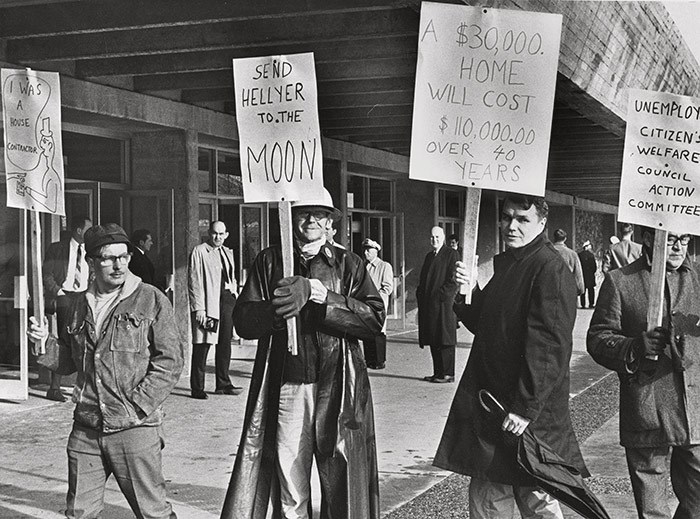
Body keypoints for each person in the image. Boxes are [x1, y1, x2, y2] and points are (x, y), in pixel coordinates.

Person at [220, 189, 384, 519]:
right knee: (290, 481)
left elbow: (374, 319)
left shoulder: (348, 263)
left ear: (330, 223)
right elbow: (243, 320)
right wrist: (275, 312)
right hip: (289, 384)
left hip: (338, 387)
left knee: (340, 477)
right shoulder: (270, 261)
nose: (311, 220)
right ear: (291, 218)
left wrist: (328, 299)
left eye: (319, 215)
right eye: (303, 214)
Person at [433, 195, 588, 519]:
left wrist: (524, 407)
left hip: (525, 416)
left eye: (522, 219)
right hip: (494, 408)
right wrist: (470, 290)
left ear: (542, 224)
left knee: (537, 497)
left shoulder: (549, 269)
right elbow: (486, 325)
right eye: (506, 217)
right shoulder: (512, 264)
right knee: (490, 498)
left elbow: (549, 348)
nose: (511, 225)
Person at [27, 223, 184, 519]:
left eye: (123, 257)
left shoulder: (150, 299)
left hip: (134, 428)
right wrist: (42, 345)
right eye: (108, 258)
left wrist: (137, 405)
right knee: (79, 513)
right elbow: (70, 361)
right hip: (86, 427)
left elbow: (170, 361)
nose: (118, 265)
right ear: (91, 262)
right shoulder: (76, 305)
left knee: (153, 513)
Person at [588, 229, 699, 518]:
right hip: (648, 407)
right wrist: (635, 346)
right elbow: (598, 339)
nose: (677, 247)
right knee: (652, 510)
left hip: (695, 408)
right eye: (671, 239)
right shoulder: (620, 281)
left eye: (684, 240)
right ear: (650, 238)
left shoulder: (698, 278)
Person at [188, 221, 242, 399]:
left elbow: (230, 275)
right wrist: (199, 308)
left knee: (224, 343)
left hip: (226, 301)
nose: (218, 237)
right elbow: (194, 281)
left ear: (226, 235)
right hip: (209, 302)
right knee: (203, 344)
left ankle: (223, 383)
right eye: (214, 233)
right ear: (209, 233)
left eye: (221, 234)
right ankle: (197, 388)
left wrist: (234, 292)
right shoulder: (200, 251)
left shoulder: (227, 252)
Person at [42, 215, 92, 402]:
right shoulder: (58, 248)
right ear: (79, 231)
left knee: (85, 341)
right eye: (88, 229)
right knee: (64, 341)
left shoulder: (91, 251)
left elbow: (93, 273)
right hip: (65, 298)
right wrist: (59, 292)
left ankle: (84, 387)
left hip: (85, 297)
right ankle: (54, 388)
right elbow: (47, 274)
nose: (90, 233)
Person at [416, 226, 460, 383]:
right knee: (434, 338)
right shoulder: (430, 256)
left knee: (445, 338)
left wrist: (441, 295)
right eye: (432, 237)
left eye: (437, 237)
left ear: (443, 238)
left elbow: (454, 280)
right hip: (430, 305)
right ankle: (438, 372)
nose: (434, 240)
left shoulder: (451, 254)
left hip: (443, 305)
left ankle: (448, 374)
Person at [362, 237, 394, 370]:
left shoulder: (384, 266)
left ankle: (379, 360)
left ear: (376, 251)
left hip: (378, 305)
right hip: (365, 304)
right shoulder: (365, 267)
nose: (366, 253)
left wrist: (376, 298)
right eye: (365, 250)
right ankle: (369, 359)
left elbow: (388, 287)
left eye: (368, 250)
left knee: (379, 332)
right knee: (367, 331)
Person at [551, 228, 584, 297]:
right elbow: (577, 274)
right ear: (565, 239)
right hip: (567, 290)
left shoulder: (547, 252)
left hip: (550, 289)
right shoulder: (572, 254)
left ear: (554, 238)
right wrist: (580, 289)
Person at [578, 240, 597, 308]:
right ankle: (591, 304)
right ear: (586, 246)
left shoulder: (579, 255)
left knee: (583, 290)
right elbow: (594, 267)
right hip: (590, 275)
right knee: (591, 290)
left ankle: (583, 304)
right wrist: (592, 272)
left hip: (582, 274)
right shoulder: (591, 255)